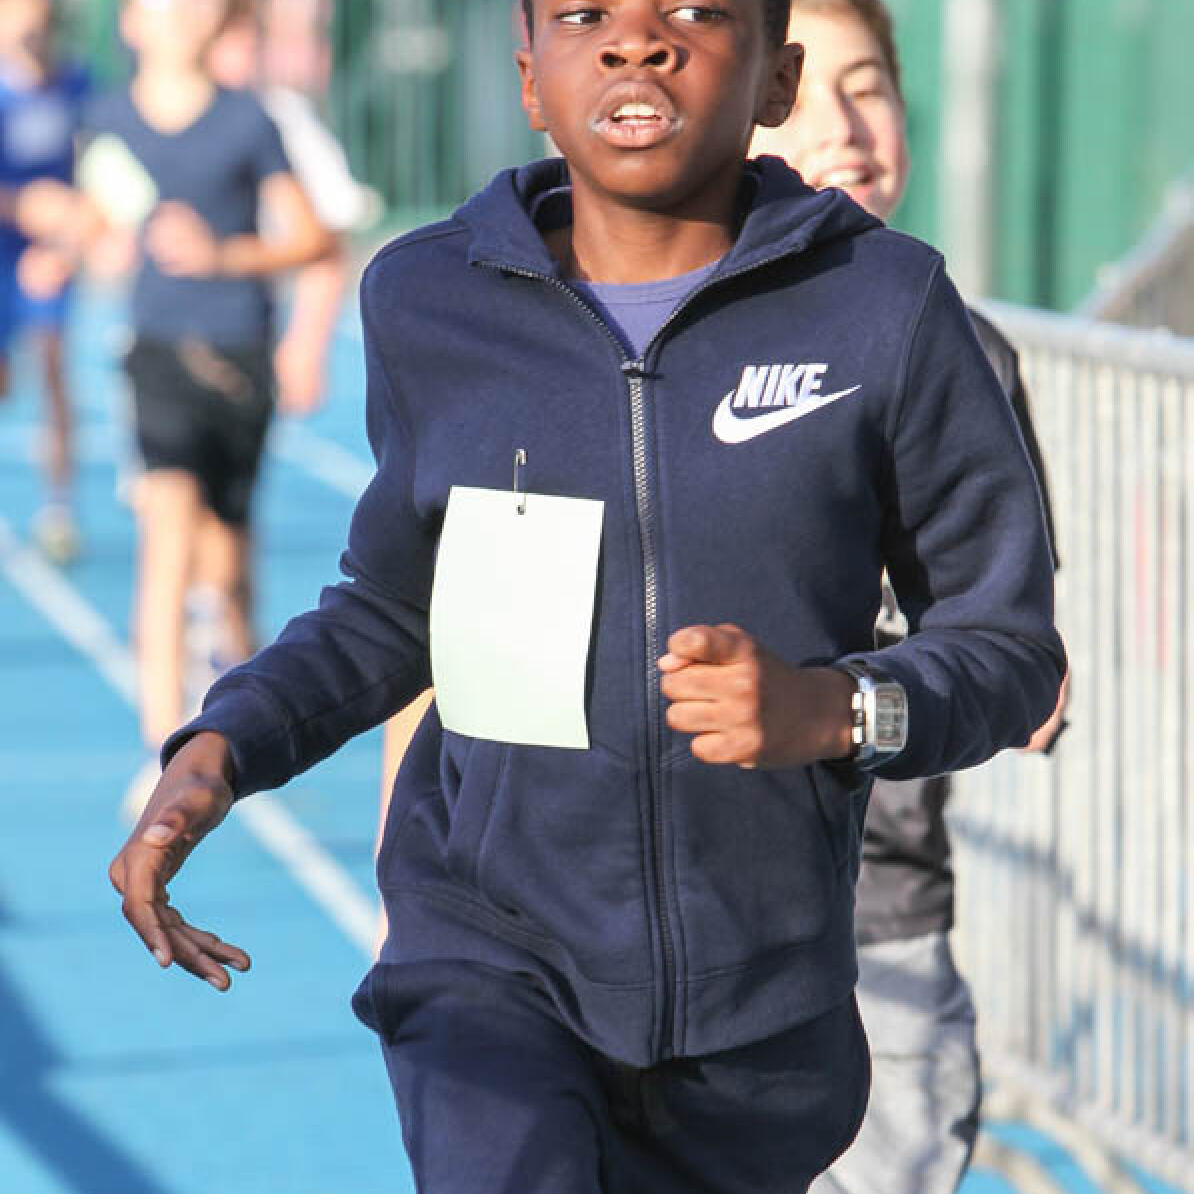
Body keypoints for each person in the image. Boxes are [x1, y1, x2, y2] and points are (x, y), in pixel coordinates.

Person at [109, 2, 1066, 1191]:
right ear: (530, 78)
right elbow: (395, 605)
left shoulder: (888, 305)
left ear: (777, 81)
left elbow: (1007, 647)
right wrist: (225, 742)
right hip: (487, 958)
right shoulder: (429, 297)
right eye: (585, 15)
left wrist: (833, 711)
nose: (635, 42)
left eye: (694, 12)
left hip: (762, 1007)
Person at [751, 3, 1068, 1191]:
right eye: (803, 88)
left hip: (880, 925)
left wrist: (984, 682)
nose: (843, 124)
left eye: (871, 85)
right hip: (663, 934)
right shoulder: (644, 341)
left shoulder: (969, 355)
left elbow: (1015, 655)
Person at [26, 0, 330, 757]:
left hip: (237, 358)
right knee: (165, 527)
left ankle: (242, 705)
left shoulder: (248, 120)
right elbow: (100, 222)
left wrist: (222, 256)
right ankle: (162, 743)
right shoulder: (107, 120)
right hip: (154, 353)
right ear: (130, 24)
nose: (179, 16)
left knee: (226, 568)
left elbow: (311, 239)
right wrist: (62, 249)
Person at [0, 0, 88, 563]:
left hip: (49, 253)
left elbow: (100, 168)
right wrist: (23, 206)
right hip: (3, 247)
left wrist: (68, 239)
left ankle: (58, 505)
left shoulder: (77, 85)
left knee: (54, 365)